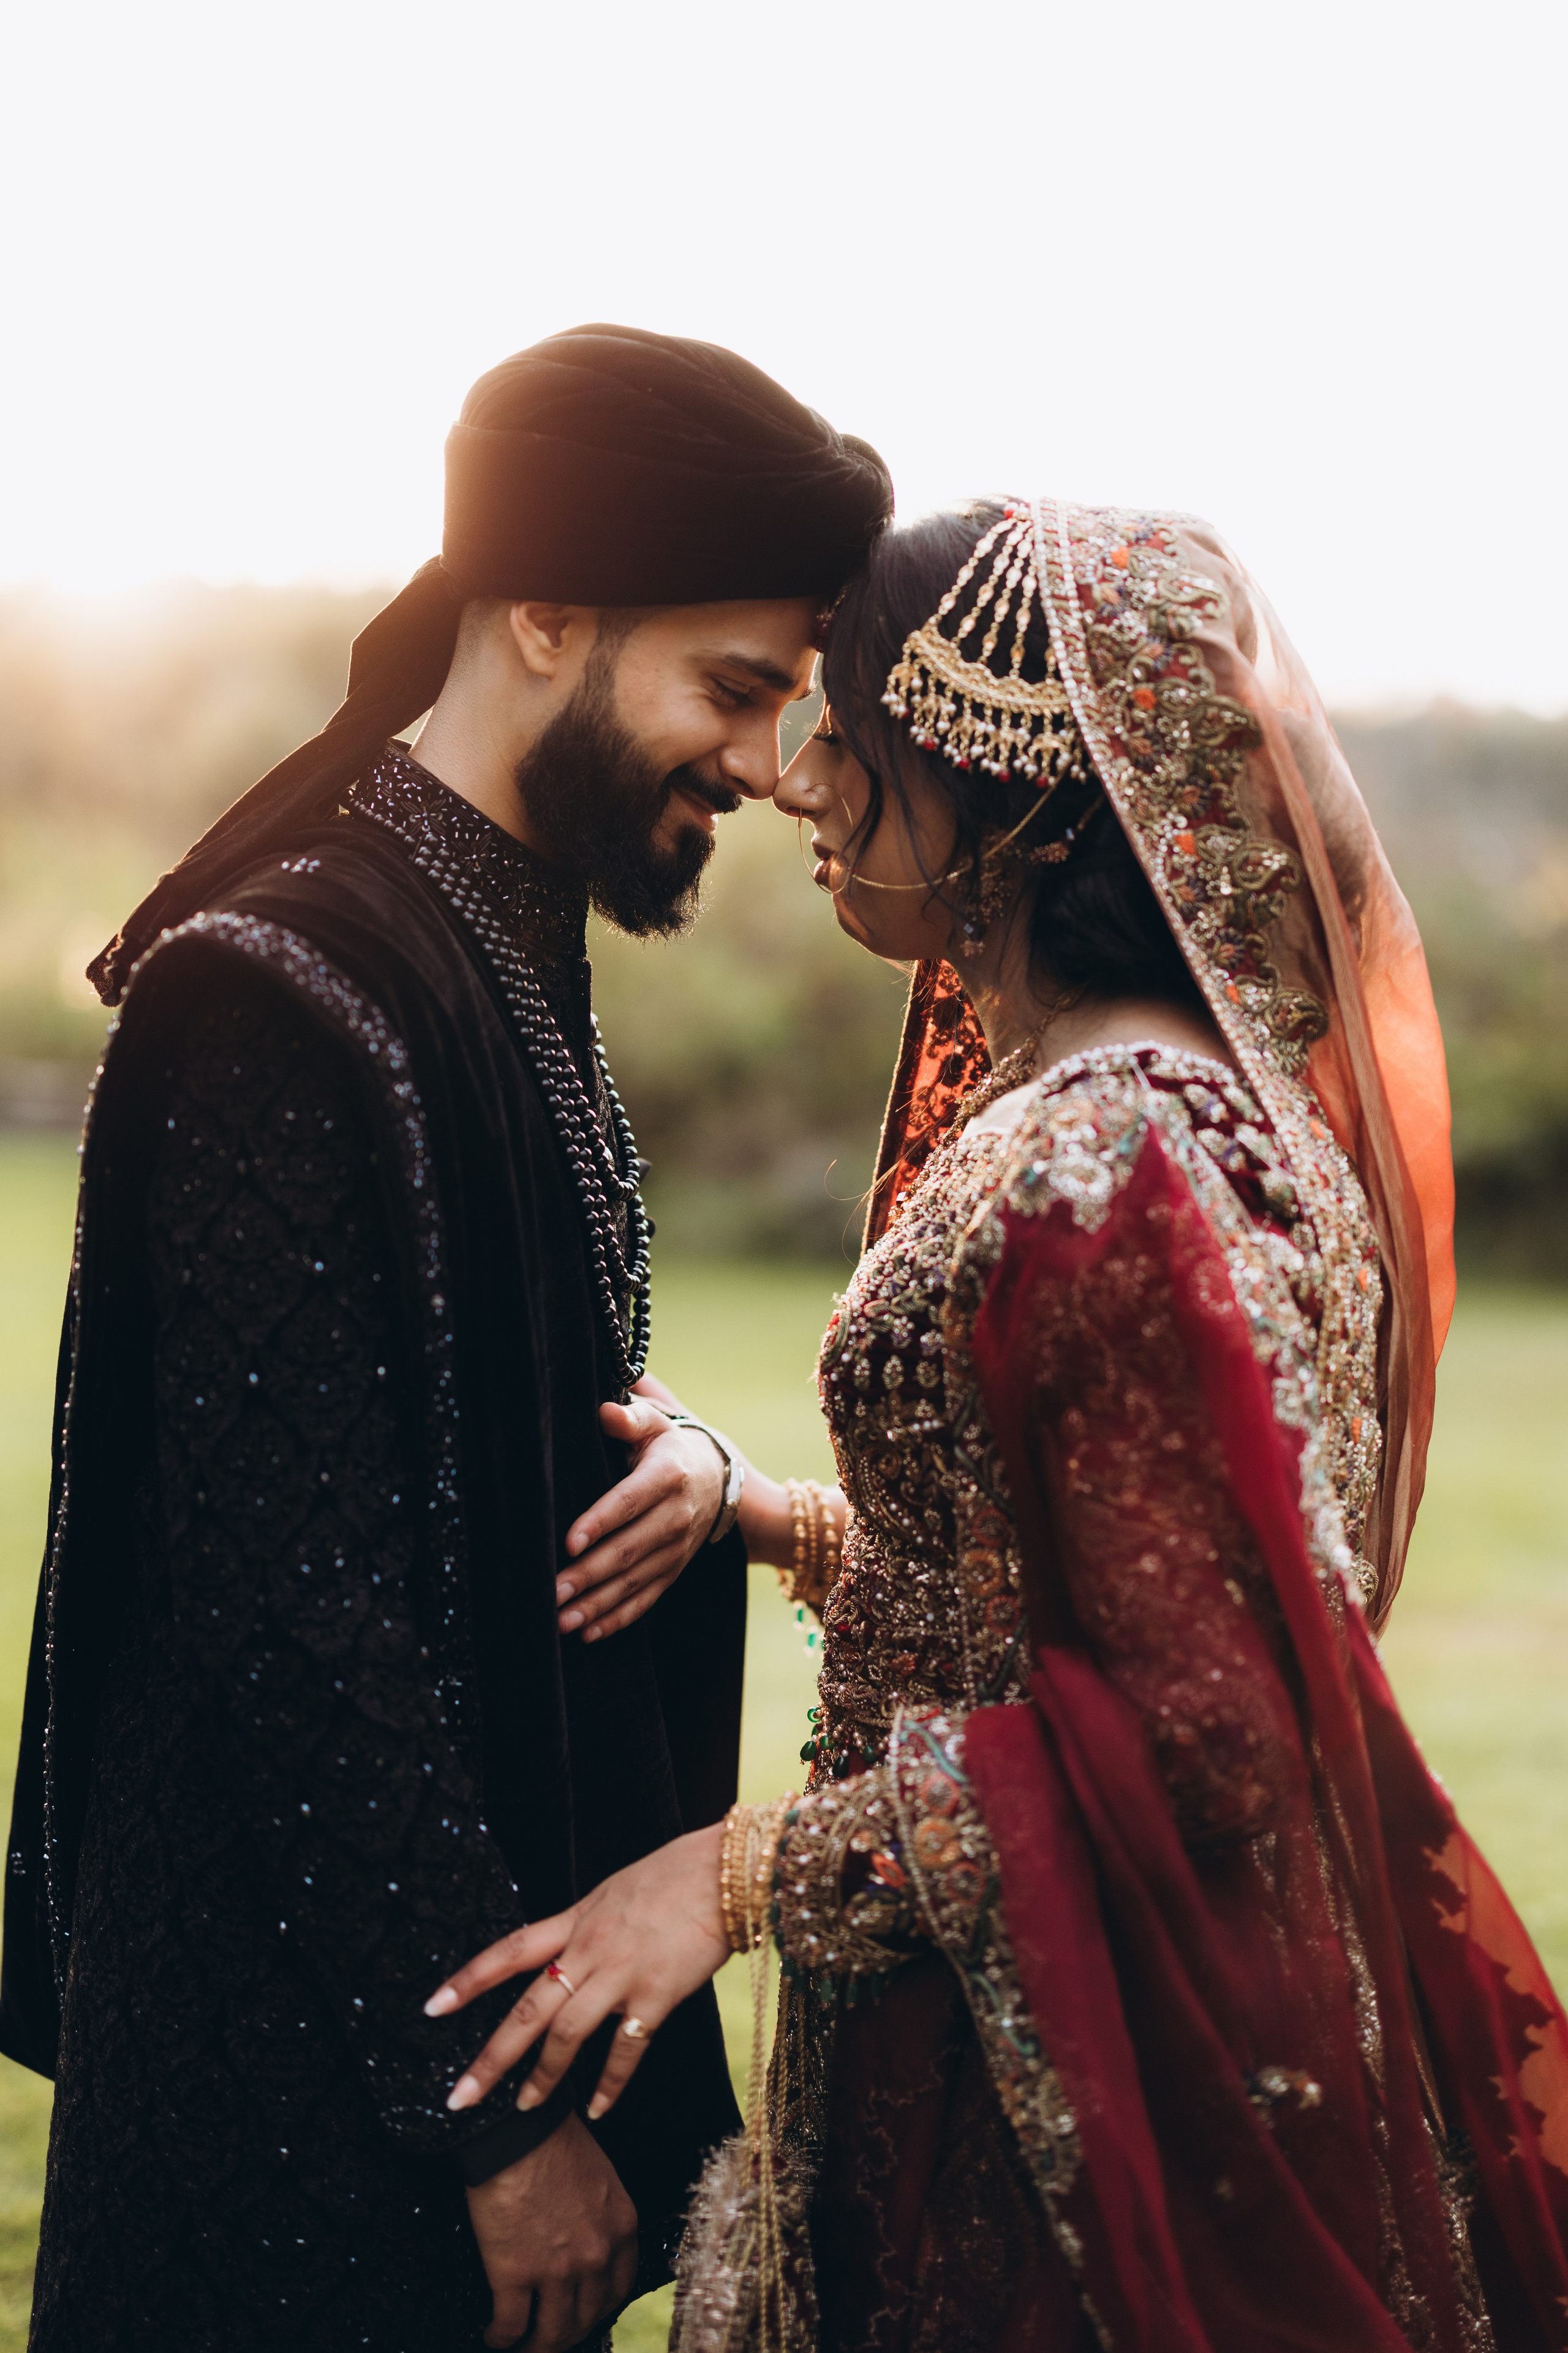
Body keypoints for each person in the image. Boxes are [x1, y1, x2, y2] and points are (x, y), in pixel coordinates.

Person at [429, 498, 1568, 2351]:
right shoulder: (1184, 1106)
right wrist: (775, 1518)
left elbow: (1208, 1727)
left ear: (1011, 774)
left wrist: (726, 1879)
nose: (800, 783)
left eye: (850, 729)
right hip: (1064, 2004)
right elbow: (1049, 1572)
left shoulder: (1115, 1159)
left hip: (1078, 2085)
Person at [0, 325, 891, 2353]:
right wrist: (485, 2126)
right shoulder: (281, 983)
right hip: (297, 2097)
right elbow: (286, 1609)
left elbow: (461, 1430)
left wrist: (679, 1475)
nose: (767, 763)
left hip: (418, 2049)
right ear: (547, 613)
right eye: (735, 690)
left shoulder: (494, 926)